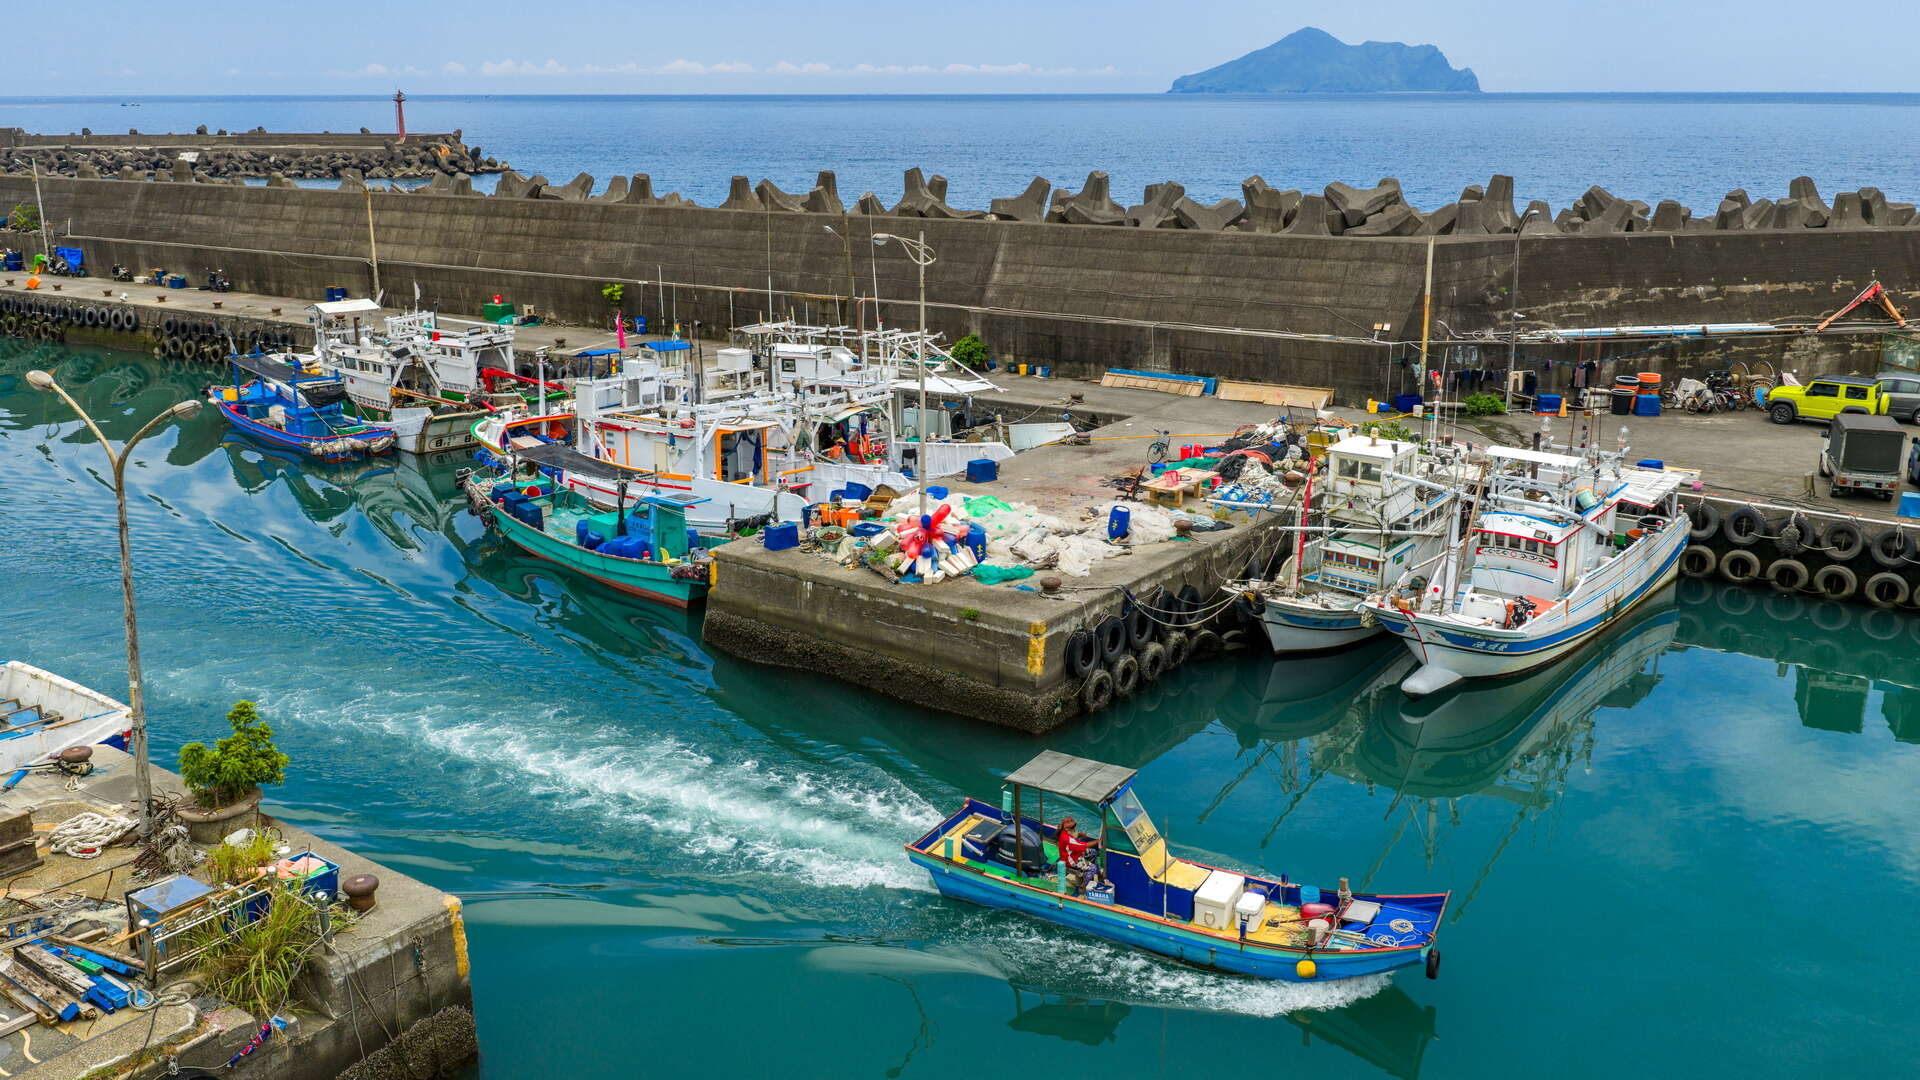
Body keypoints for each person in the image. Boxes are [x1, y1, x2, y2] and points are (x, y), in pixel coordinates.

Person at [1056, 815, 1100, 894]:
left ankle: (1098, 874)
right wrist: (1098, 841)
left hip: (1075, 853)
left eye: (1072, 820)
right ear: (1065, 827)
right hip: (1071, 860)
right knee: (1092, 868)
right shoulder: (1067, 838)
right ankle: (1084, 888)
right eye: (1069, 821)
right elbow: (1083, 845)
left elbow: (1075, 836)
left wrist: (1080, 835)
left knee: (1093, 852)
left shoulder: (1067, 831)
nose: (1072, 821)